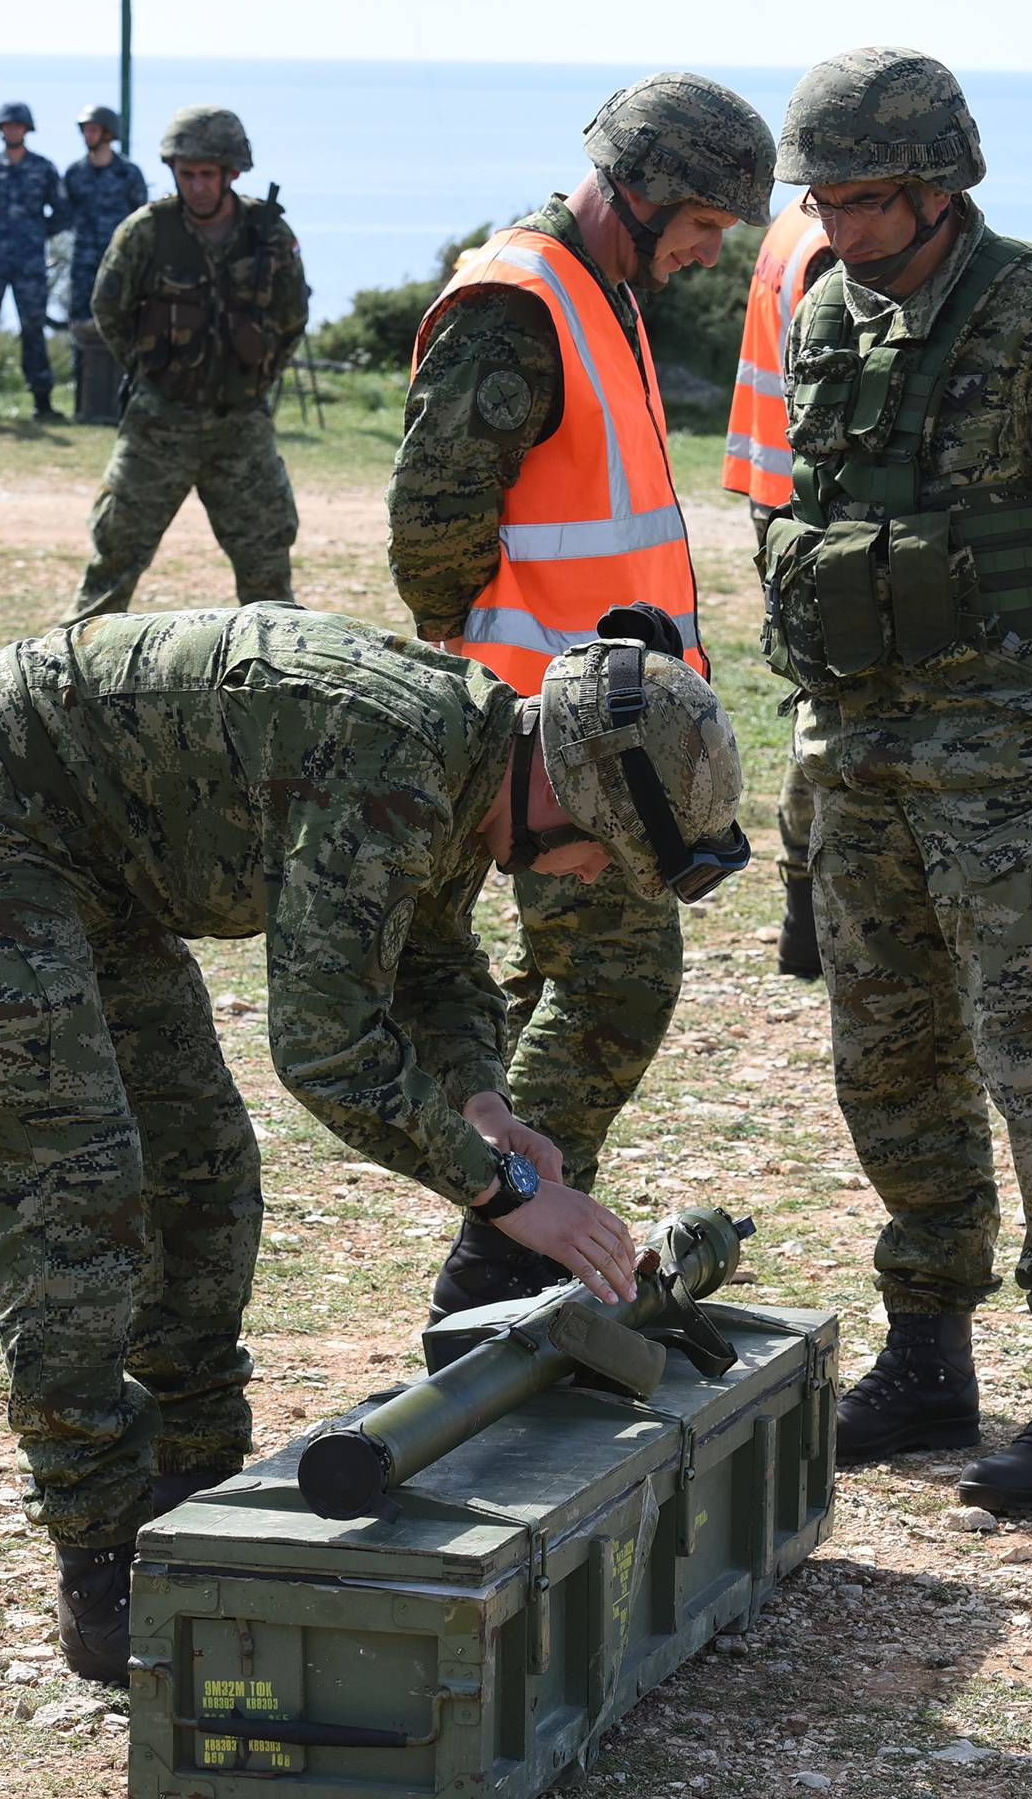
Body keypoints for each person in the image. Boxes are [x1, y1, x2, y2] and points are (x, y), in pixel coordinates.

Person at [0, 601, 749, 1683]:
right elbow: (329, 1048)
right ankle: (102, 1563)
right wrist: (507, 1193)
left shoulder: (474, 763)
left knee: (205, 1178)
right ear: (569, 794)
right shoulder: (400, 762)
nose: (594, 880)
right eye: (605, 856)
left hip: (92, 862)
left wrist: (485, 1104)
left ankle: (192, 1515)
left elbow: (429, 960)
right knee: (75, 1197)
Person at [390, 73, 776, 1319]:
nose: (712, 252)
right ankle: (497, 1263)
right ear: (646, 188)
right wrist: (498, 691)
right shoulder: (519, 301)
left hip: (602, 737)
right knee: (614, 989)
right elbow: (432, 528)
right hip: (544, 746)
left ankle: (531, 1257)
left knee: (561, 997)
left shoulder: (597, 292)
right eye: (706, 225)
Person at [761, 48, 1032, 1515]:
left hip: (1019, 776)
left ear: (942, 183)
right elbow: (809, 528)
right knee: (890, 1066)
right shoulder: (824, 313)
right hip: (861, 763)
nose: (838, 223)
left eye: (865, 197)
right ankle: (929, 1354)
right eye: (821, 197)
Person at [63, 106, 308, 620]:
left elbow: (291, 317)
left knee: (268, 568)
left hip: (240, 424)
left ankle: (277, 687)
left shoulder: (267, 235)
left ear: (231, 173)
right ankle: (68, 689)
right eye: (187, 173)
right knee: (114, 559)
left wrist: (255, 376)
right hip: (160, 422)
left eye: (207, 174)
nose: (197, 186)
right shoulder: (145, 233)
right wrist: (150, 369)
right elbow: (108, 307)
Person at [723, 202, 832, 975]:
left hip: (780, 494)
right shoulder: (840, 242)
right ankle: (808, 909)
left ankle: (803, 913)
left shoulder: (798, 222)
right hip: (819, 504)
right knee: (831, 710)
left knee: (815, 703)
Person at [0, 102, 70, 420]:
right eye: (7, 126)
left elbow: (63, 212)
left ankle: (42, 402)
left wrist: (36, 233)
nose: (12, 130)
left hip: (30, 264)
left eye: (17, 125)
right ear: (0, 130)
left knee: (33, 329)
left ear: (26, 129)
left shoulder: (43, 168)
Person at [62, 104, 146, 324]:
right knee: (79, 321)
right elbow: (64, 214)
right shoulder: (74, 173)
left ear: (108, 133)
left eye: (93, 130)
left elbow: (141, 218)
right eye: (85, 130)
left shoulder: (128, 173)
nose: (87, 135)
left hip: (119, 258)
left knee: (122, 317)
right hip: (83, 260)